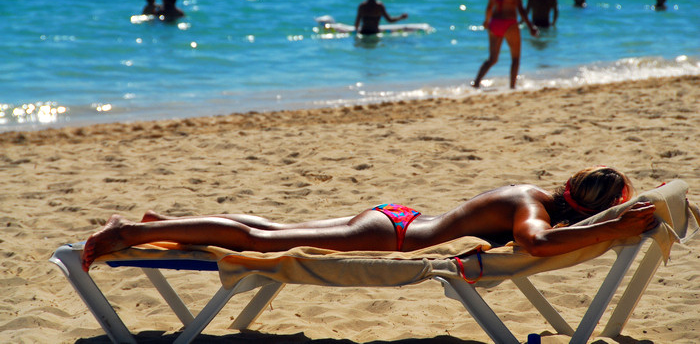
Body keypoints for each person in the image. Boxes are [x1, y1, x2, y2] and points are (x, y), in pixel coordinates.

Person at [81, 166, 658, 272]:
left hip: (401, 219)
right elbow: (535, 244)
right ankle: (131, 233)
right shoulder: (532, 210)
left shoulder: (538, 197)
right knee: (262, 237)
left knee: (273, 227)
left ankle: (169, 223)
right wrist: (616, 228)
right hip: (394, 232)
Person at [472, 0, 538, 90]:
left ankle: (476, 83)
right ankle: (512, 87)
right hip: (509, 23)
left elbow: (489, 6)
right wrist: (531, 26)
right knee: (515, 58)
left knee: (492, 59)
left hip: (495, 23)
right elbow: (521, 9)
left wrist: (486, 21)